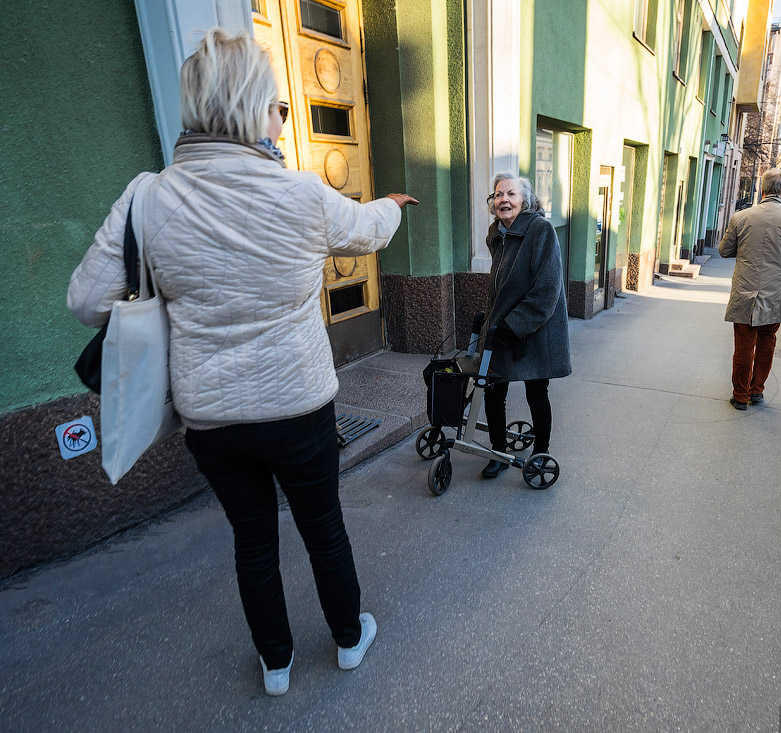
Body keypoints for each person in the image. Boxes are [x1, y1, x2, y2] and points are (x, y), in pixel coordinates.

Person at [67, 28, 418, 696]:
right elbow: (368, 229)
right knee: (325, 530)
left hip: (212, 417)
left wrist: (170, 290)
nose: (283, 117)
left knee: (251, 540)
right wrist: (393, 207)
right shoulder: (303, 195)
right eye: (278, 106)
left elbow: (86, 300)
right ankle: (348, 640)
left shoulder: (148, 196)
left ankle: (276, 664)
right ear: (253, 108)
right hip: (299, 407)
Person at [479, 173, 571, 478]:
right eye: (498, 195)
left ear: (525, 200)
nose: (504, 199)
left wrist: (511, 325)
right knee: (493, 388)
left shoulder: (540, 230)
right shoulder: (497, 233)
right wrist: (489, 317)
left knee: (536, 390)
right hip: (503, 325)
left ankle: (541, 452)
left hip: (535, 328)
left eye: (511, 194)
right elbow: (501, 284)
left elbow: (547, 290)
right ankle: (497, 451)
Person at [718, 167, 781, 410]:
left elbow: (725, 250)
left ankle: (740, 395)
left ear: (762, 190)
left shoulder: (741, 218)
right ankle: (756, 390)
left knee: (743, 345)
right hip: (774, 294)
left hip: (745, 292)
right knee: (767, 342)